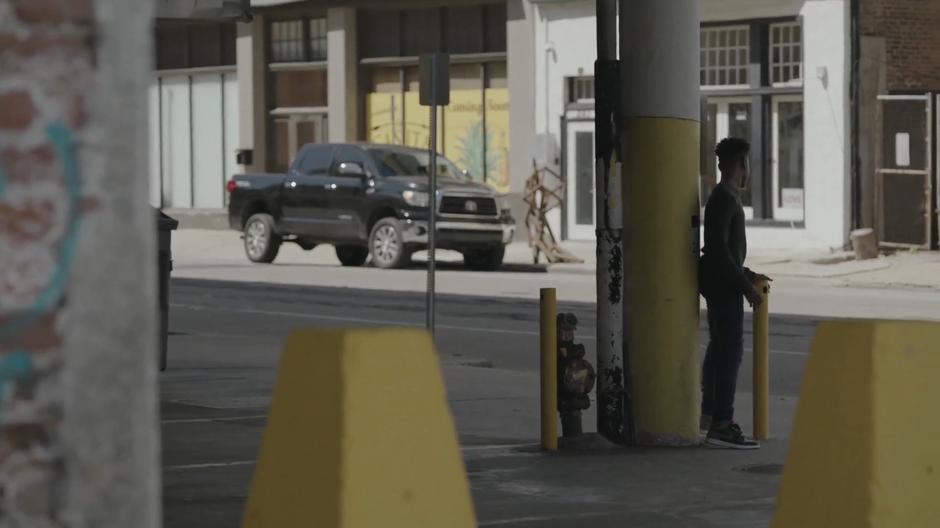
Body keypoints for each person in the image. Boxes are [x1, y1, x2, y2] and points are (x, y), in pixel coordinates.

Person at [699, 137, 770, 450]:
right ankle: (722, 423)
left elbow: (723, 251)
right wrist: (745, 288)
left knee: (720, 349)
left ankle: (709, 414)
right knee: (730, 353)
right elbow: (718, 251)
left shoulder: (723, 197)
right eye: (745, 163)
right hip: (724, 287)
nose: (747, 171)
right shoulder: (725, 199)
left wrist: (746, 274)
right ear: (739, 165)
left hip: (723, 282)